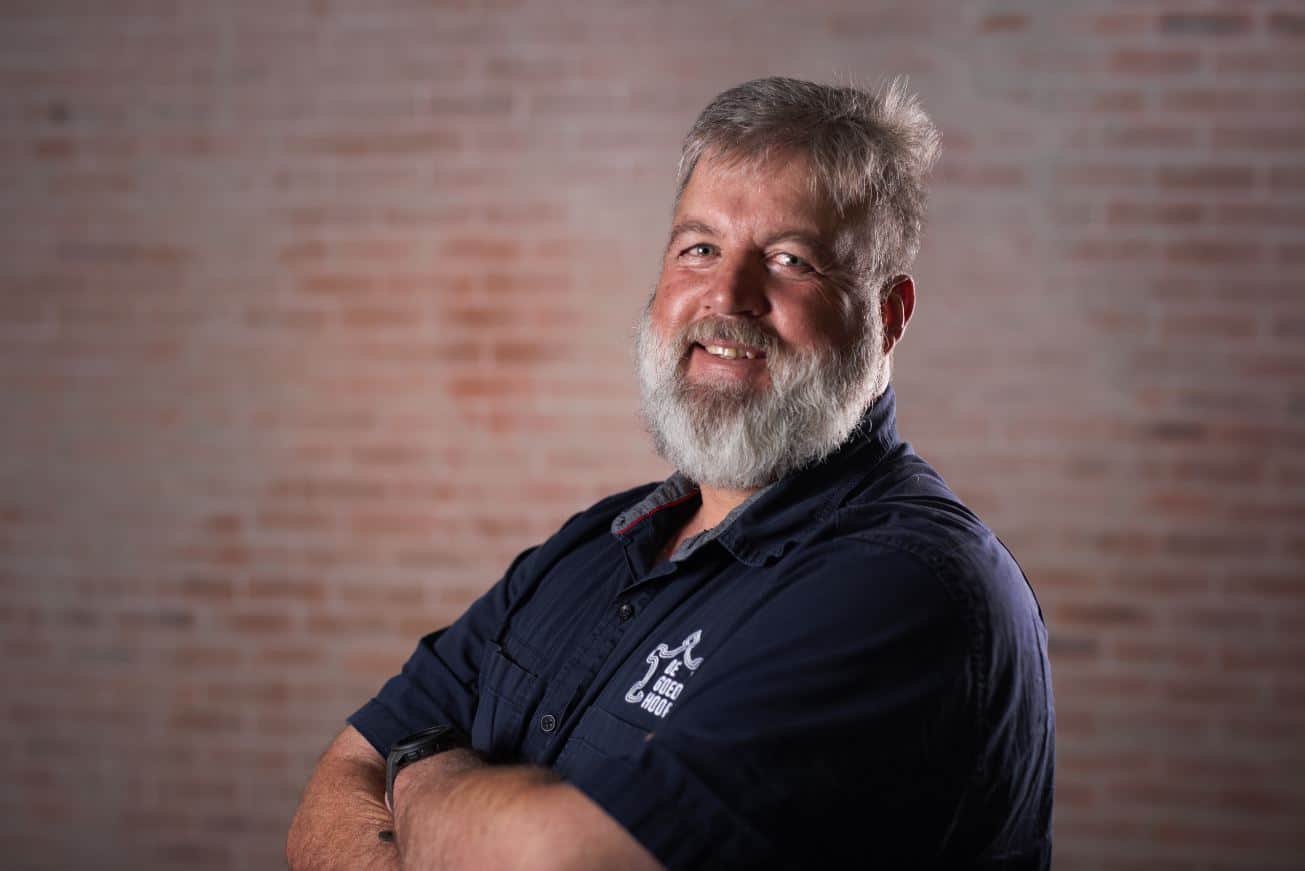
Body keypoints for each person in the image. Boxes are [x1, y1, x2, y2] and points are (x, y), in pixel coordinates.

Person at [287, 76, 1055, 871]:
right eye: (699, 249)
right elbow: (333, 792)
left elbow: (565, 862)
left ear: (887, 316)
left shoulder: (906, 586)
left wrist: (421, 772)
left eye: (789, 259)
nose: (728, 295)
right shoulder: (593, 546)